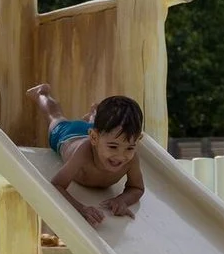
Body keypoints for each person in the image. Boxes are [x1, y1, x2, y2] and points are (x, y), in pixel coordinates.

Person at [28, 83, 145, 227]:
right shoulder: (84, 153)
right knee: (55, 117)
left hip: (98, 133)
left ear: (138, 141)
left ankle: (93, 116)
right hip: (68, 135)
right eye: (113, 147)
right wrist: (81, 209)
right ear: (94, 138)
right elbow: (57, 184)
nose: (121, 156)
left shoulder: (130, 158)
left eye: (130, 148)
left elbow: (137, 188)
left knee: (103, 130)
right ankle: (42, 94)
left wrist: (122, 200)